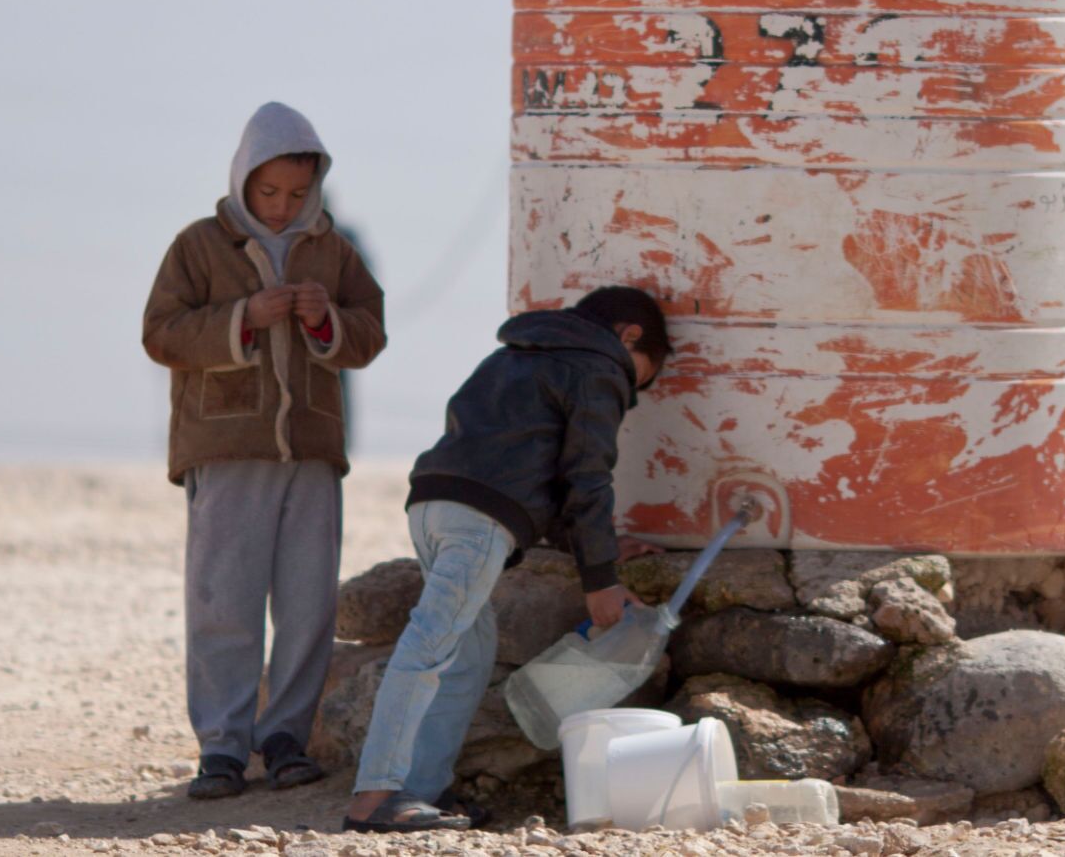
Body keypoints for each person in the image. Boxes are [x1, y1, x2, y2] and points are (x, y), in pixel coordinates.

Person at [343, 287, 671, 834]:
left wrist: (601, 549)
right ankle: (374, 798)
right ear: (629, 337)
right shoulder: (599, 366)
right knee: (429, 646)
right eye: (643, 378)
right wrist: (601, 581)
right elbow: (587, 479)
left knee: (469, 653)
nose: (634, 391)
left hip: (432, 503)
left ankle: (421, 790)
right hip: (478, 520)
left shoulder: (513, 353)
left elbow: (529, 467)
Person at [142, 102, 387, 800]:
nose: (282, 206)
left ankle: (285, 739)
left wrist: (325, 319)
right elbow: (161, 333)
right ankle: (222, 747)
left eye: (297, 193)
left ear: (316, 187)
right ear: (243, 179)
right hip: (225, 450)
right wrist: (242, 318)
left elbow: (369, 334)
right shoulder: (197, 246)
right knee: (224, 601)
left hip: (311, 451)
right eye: (268, 191)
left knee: (309, 605)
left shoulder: (334, 251)